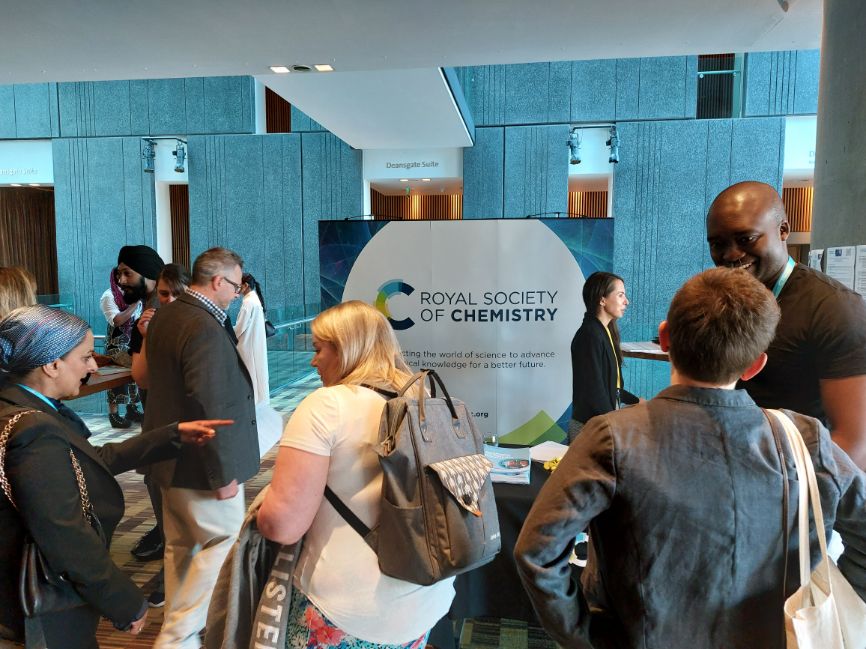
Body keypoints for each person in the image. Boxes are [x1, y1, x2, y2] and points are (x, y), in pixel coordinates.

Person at [514, 268, 866, 649]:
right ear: (755, 365)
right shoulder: (807, 441)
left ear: (665, 338)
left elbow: (537, 551)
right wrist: (833, 595)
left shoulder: (611, 438)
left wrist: (584, 636)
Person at [0, 304, 231, 649]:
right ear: (52, 365)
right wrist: (123, 601)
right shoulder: (35, 430)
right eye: (85, 357)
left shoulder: (18, 407)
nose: (93, 366)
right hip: (46, 606)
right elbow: (66, 535)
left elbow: (87, 461)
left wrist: (171, 436)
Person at [257, 301, 454, 648]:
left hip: (345, 607)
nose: (312, 360)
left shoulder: (327, 405)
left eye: (319, 349)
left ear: (347, 347)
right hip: (424, 595)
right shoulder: (426, 397)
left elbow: (281, 525)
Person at [144, 247, 259, 649]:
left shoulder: (168, 314)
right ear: (217, 282)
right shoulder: (203, 324)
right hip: (201, 466)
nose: (236, 293)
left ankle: (179, 628)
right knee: (223, 543)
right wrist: (223, 473)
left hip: (169, 460)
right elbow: (212, 403)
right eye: (235, 285)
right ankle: (177, 637)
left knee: (181, 548)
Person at [706, 181, 866, 469]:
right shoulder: (724, 299)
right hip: (730, 477)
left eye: (746, 239)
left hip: (795, 491)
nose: (730, 255)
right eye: (718, 244)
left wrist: (777, 496)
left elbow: (854, 443)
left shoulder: (834, 308)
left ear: (783, 230)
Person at [128, 263, 191, 607]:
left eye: (176, 294)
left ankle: (189, 574)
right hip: (156, 424)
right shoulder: (147, 324)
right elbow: (142, 378)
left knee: (188, 508)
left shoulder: (197, 324)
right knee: (161, 501)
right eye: (163, 294)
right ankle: (170, 574)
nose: (168, 301)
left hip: (189, 426)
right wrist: (149, 335)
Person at [568, 271, 638, 442]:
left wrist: (639, 403)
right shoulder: (589, 336)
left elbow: (612, 388)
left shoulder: (604, 331)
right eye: (620, 295)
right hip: (591, 430)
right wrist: (614, 426)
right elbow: (594, 393)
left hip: (601, 425)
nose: (626, 301)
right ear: (602, 299)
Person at [99, 267, 142, 428]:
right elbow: (117, 321)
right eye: (121, 275)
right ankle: (114, 414)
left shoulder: (131, 294)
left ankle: (132, 409)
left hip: (131, 342)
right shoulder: (108, 296)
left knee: (137, 368)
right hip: (115, 346)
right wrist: (134, 305)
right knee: (134, 366)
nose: (125, 279)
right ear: (116, 277)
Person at [234, 272, 270, 405]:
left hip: (248, 346)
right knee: (257, 376)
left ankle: (252, 405)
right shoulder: (255, 300)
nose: (237, 290)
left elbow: (240, 327)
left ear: (246, 285)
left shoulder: (248, 302)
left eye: (239, 286)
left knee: (250, 377)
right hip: (255, 345)